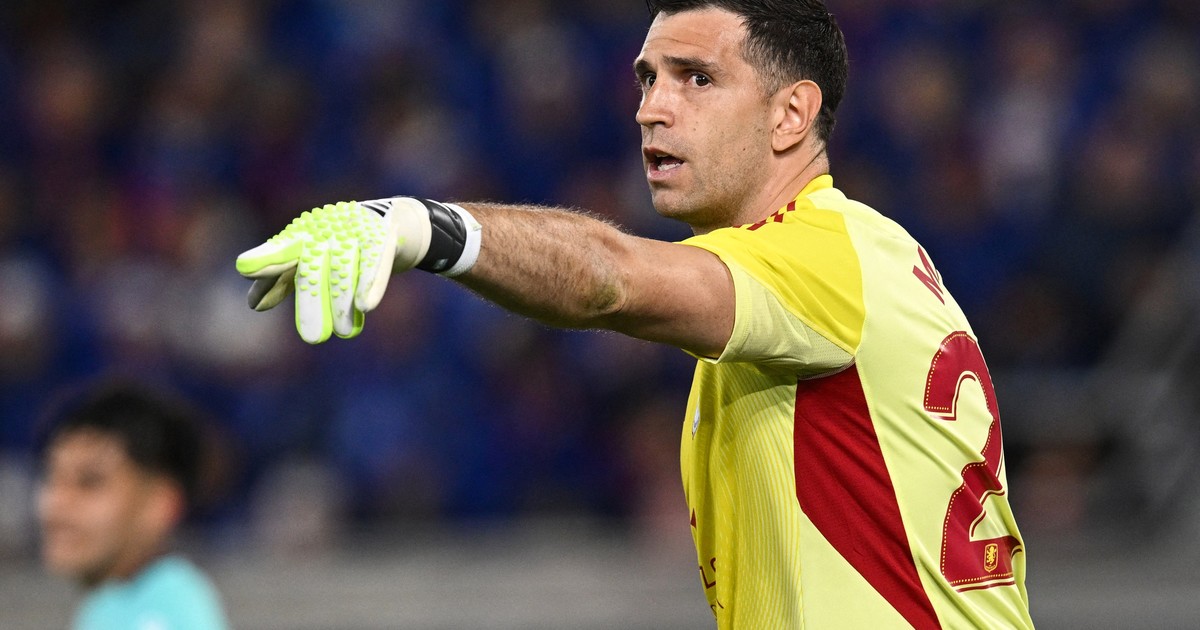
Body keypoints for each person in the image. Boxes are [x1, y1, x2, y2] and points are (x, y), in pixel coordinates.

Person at [235, 0, 1034, 627]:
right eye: (648, 79)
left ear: (791, 115)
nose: (653, 108)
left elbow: (609, 279)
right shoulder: (842, 266)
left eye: (697, 79)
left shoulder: (822, 254)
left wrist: (424, 226)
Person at [37, 381, 230, 630]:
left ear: (160, 503)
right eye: (51, 478)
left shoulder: (166, 612)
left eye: (90, 482)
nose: (56, 502)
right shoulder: (104, 605)